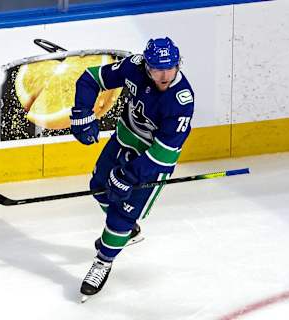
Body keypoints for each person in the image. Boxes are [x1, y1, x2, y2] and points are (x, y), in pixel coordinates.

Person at [70, 37, 195, 301]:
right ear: (146, 66)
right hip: (123, 140)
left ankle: (103, 261)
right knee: (100, 189)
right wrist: (83, 112)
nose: (164, 76)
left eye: (170, 68)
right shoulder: (134, 67)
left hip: (150, 164)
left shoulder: (181, 100)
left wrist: (128, 175)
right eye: (157, 69)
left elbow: (163, 153)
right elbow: (90, 78)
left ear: (177, 64)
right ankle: (129, 232)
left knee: (120, 217)